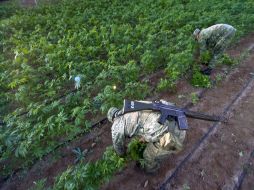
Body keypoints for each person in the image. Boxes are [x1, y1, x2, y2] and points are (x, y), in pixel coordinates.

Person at [107, 100, 186, 173]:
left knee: (147, 155)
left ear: (112, 119)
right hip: (179, 123)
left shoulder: (116, 125)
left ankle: (152, 169)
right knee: (149, 137)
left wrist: (122, 155)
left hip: (172, 136)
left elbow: (118, 146)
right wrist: (145, 138)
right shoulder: (131, 106)